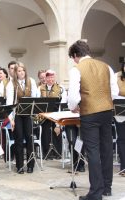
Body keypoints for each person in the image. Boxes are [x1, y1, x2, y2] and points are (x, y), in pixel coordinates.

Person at [68, 40, 119, 200]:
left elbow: (73, 96)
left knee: (93, 151)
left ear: (76, 55)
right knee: (106, 149)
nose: (74, 60)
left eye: (73, 57)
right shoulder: (106, 66)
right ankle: (107, 188)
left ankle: (96, 192)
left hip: (89, 113)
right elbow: (115, 91)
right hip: (107, 111)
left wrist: (73, 106)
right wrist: (104, 101)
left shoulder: (76, 69)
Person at [8, 62, 38, 174]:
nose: (21, 73)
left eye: (23, 70)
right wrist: (11, 119)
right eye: (19, 71)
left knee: (30, 139)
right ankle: (19, 165)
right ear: (16, 72)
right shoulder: (12, 84)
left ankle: (31, 165)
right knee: (19, 139)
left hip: (29, 114)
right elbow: (10, 102)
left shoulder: (31, 81)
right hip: (18, 115)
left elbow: (35, 97)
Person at [37, 69, 66, 159]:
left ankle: (57, 153)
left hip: (57, 115)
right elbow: (38, 102)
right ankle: (47, 153)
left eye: (52, 77)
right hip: (45, 115)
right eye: (48, 77)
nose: (50, 79)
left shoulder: (61, 88)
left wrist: (59, 123)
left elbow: (62, 104)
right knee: (45, 133)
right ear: (46, 78)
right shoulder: (40, 88)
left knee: (56, 132)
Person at [115, 62, 125, 176]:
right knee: (122, 139)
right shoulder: (116, 76)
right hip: (120, 113)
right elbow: (113, 93)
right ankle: (124, 167)